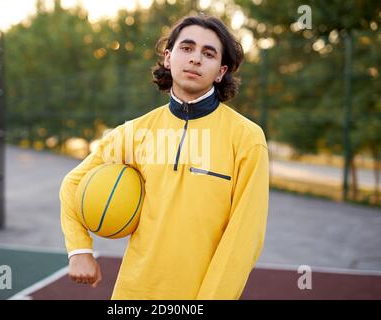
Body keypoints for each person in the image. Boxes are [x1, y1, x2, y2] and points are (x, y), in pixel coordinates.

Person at [60, 15, 269, 299]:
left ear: (220, 72)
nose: (195, 58)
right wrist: (80, 250)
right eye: (187, 48)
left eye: (208, 54)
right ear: (168, 58)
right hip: (133, 293)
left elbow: (245, 236)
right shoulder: (134, 133)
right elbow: (73, 184)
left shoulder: (247, 138)